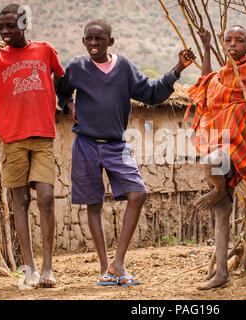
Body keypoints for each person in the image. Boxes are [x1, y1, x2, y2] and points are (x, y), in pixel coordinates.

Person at [55, 19, 195, 286]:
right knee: (93, 204)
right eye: (89, 39)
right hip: (85, 143)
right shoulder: (75, 67)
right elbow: (60, 89)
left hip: (116, 145)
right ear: (83, 41)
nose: (93, 44)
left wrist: (178, 69)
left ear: (111, 41)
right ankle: (106, 269)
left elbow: (152, 93)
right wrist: (67, 104)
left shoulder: (124, 68)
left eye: (99, 39)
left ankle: (118, 261)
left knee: (137, 193)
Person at [0, 3, 64, 287]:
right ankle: (29, 269)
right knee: (20, 201)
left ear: (25, 23)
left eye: (11, 26)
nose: (4, 32)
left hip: (42, 136)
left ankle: (48, 268)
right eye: (1, 27)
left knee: (46, 197)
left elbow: (62, 79)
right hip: (12, 140)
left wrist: (69, 102)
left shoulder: (45, 51)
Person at [184, 26, 246, 290]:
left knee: (210, 161)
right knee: (222, 209)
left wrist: (241, 112)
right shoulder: (223, 73)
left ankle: (218, 189)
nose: (233, 44)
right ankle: (222, 273)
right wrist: (206, 45)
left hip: (239, 142)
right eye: (228, 40)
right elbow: (206, 82)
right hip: (217, 137)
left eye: (240, 41)